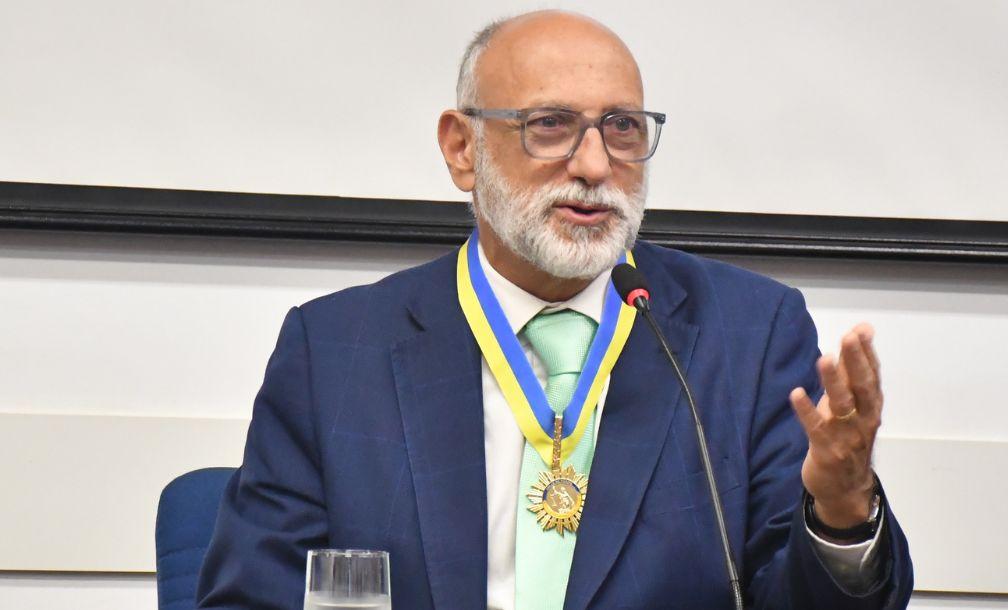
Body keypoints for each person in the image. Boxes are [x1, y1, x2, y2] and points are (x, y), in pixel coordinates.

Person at [196, 10, 914, 609]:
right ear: (462, 149)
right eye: (550, 125)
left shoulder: (749, 336)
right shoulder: (334, 352)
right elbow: (252, 597)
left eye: (623, 127)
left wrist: (841, 512)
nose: (595, 166)